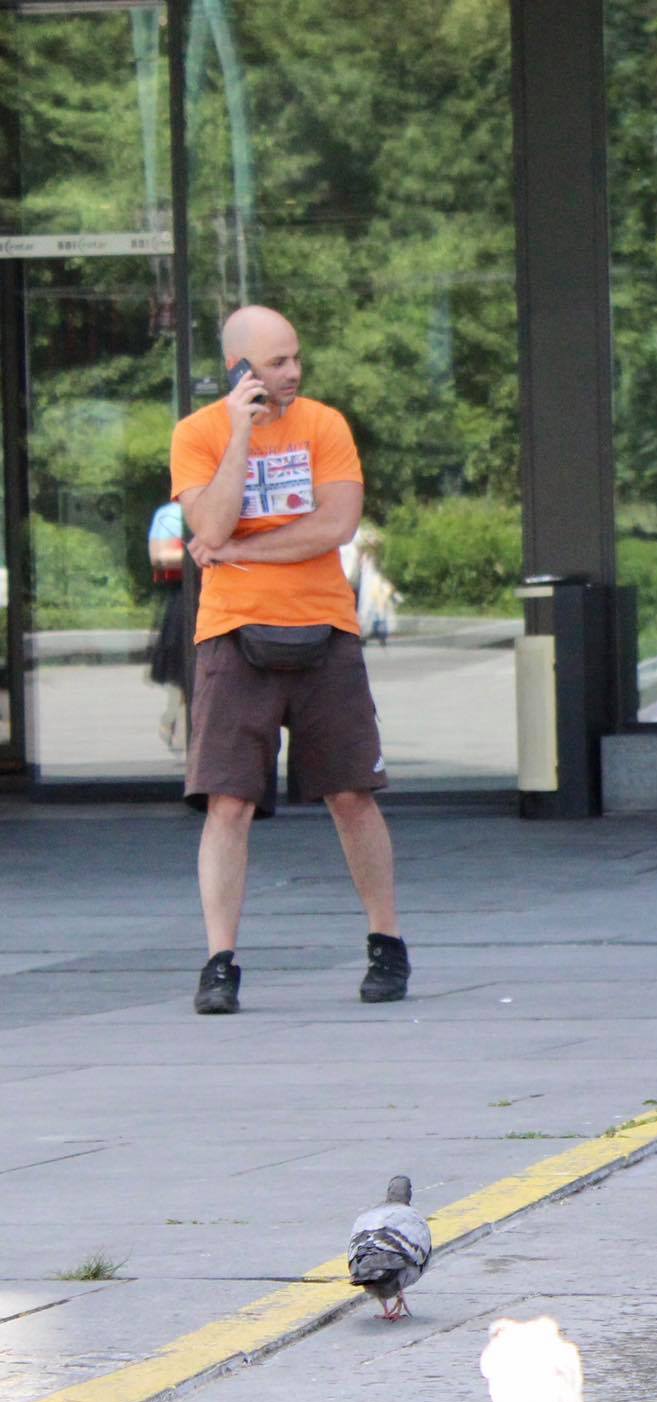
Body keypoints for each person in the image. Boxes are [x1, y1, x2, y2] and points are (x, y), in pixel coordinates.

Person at [170, 304, 410, 1015]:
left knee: (352, 793)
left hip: (324, 628)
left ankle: (387, 943)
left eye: (295, 357)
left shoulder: (325, 425)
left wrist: (239, 550)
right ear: (239, 368)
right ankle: (219, 963)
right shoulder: (198, 434)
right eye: (277, 362)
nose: (293, 371)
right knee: (228, 801)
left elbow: (335, 524)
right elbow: (209, 521)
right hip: (232, 632)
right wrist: (241, 433)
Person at [144, 499, 191, 753]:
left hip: (222, 599)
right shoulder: (171, 514)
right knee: (184, 670)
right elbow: (159, 557)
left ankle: (177, 722)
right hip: (185, 598)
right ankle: (178, 724)